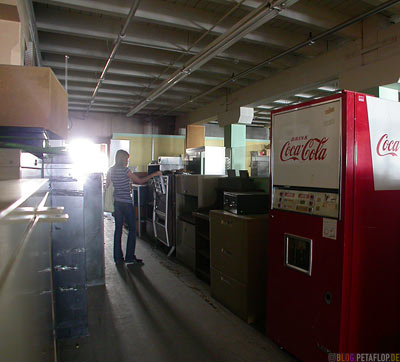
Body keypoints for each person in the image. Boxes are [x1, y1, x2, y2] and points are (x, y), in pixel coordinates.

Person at [106, 149, 161, 265]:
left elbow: (108, 186)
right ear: (123, 158)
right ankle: (130, 257)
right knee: (132, 229)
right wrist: (154, 175)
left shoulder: (110, 170)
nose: (127, 160)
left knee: (118, 230)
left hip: (116, 203)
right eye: (127, 158)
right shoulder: (126, 170)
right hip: (126, 203)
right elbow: (140, 181)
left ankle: (118, 258)